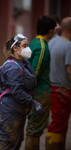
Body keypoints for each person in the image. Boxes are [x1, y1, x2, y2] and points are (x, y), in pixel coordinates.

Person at [0, 34, 43, 150]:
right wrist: (33, 103)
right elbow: (17, 91)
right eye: (25, 46)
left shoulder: (24, 64)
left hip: (19, 112)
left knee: (16, 143)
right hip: (10, 111)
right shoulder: (12, 67)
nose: (28, 49)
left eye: (28, 45)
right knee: (6, 144)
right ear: (15, 48)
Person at [25, 15, 56, 150]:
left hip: (34, 93)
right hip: (39, 94)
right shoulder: (42, 47)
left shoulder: (33, 43)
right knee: (35, 129)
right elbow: (34, 73)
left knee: (33, 127)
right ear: (50, 30)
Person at [45, 17, 71, 150]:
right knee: (59, 124)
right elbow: (70, 71)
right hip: (63, 90)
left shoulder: (52, 42)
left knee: (58, 122)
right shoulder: (68, 46)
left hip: (51, 87)